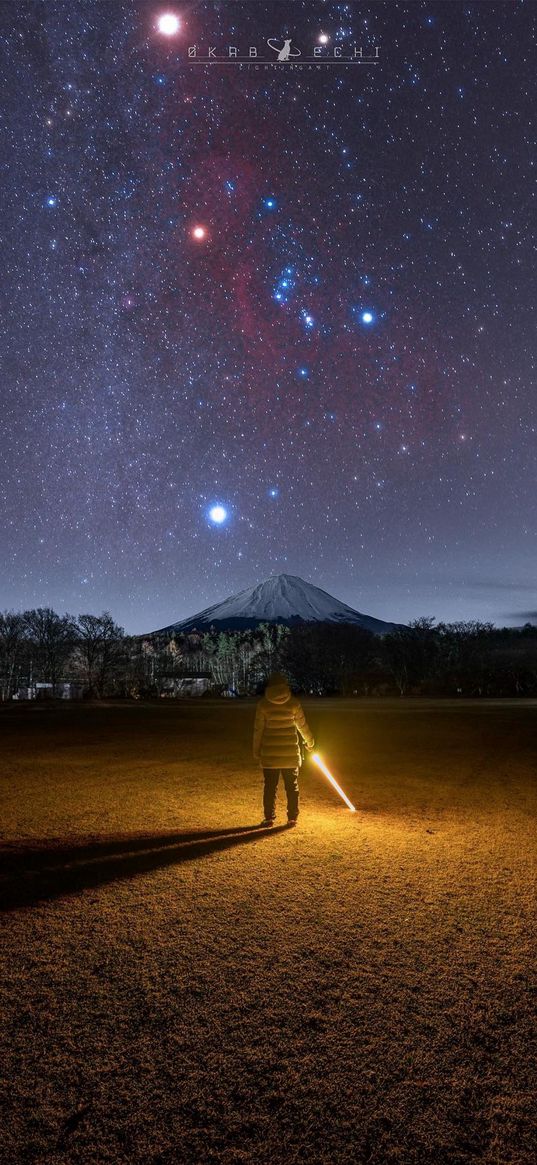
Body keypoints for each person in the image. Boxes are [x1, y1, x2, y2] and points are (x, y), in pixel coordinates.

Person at [253, 672, 315, 827]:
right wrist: (310, 742)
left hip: (270, 755)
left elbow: (258, 730)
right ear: (285, 686)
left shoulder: (263, 705)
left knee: (270, 787)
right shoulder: (293, 703)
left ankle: (269, 817)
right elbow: (302, 726)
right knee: (292, 787)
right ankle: (292, 817)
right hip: (290, 755)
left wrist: (256, 750)